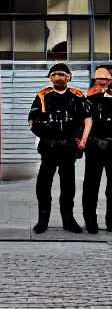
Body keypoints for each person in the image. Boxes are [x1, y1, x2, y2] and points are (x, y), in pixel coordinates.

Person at [28, 63, 92, 234]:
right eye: (55, 74)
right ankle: (43, 220)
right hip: (49, 148)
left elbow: (87, 119)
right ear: (50, 78)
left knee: (68, 185)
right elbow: (32, 122)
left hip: (68, 147)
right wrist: (47, 133)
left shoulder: (77, 96)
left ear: (69, 77)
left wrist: (82, 141)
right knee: (44, 184)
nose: (59, 77)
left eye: (63, 74)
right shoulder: (43, 96)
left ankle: (68, 219)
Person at [82, 66, 112, 234]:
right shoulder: (88, 99)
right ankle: (90, 221)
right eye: (100, 79)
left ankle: (111, 221)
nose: (103, 83)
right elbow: (82, 123)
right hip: (95, 147)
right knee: (91, 185)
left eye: (106, 79)